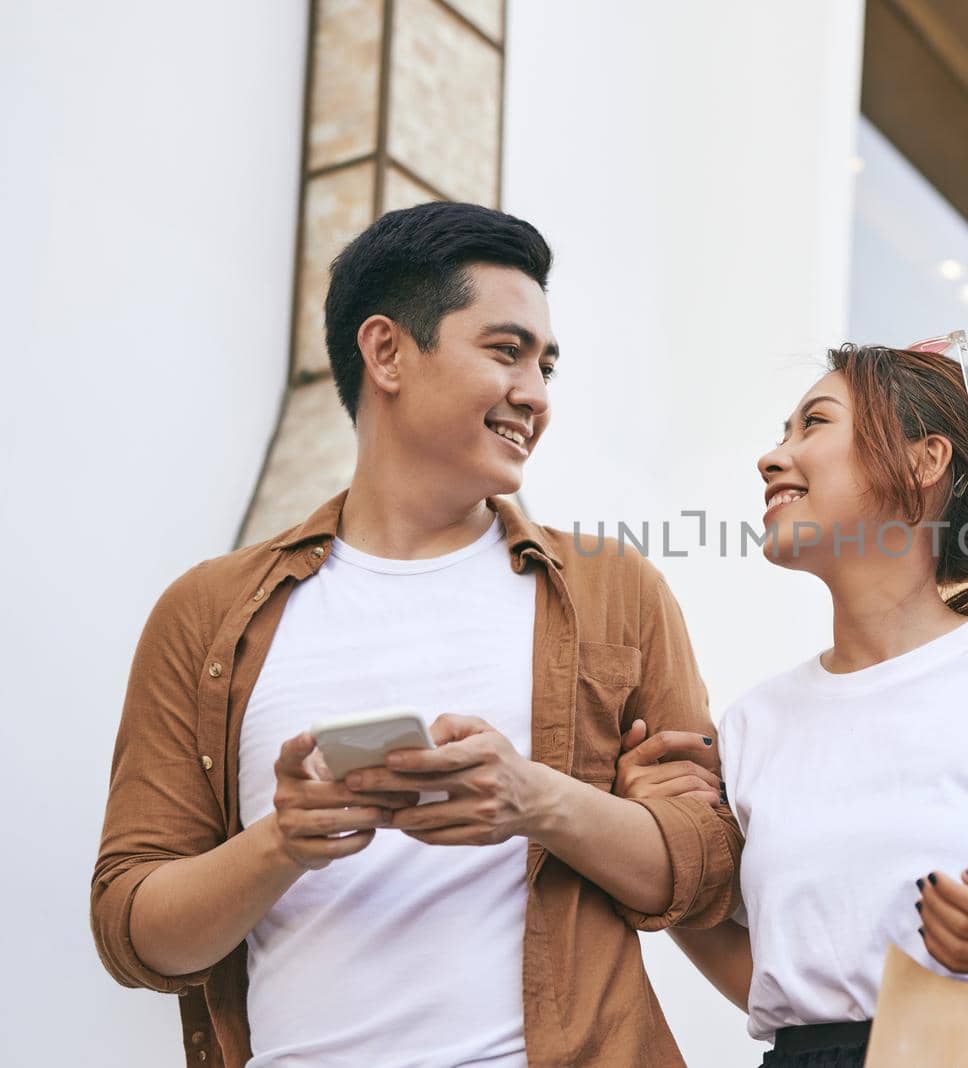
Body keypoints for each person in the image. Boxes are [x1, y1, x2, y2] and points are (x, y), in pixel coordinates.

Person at [91, 201, 741, 1067]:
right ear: (387, 352)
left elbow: (703, 869)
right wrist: (285, 839)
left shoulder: (617, 591)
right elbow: (138, 933)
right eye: (506, 352)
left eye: (547, 366)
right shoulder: (206, 611)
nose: (537, 396)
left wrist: (533, 799)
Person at [614, 338, 968, 1067]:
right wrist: (663, 847)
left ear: (924, 462)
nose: (772, 457)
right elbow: (776, 985)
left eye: (813, 424)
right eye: (781, 433)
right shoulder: (753, 725)